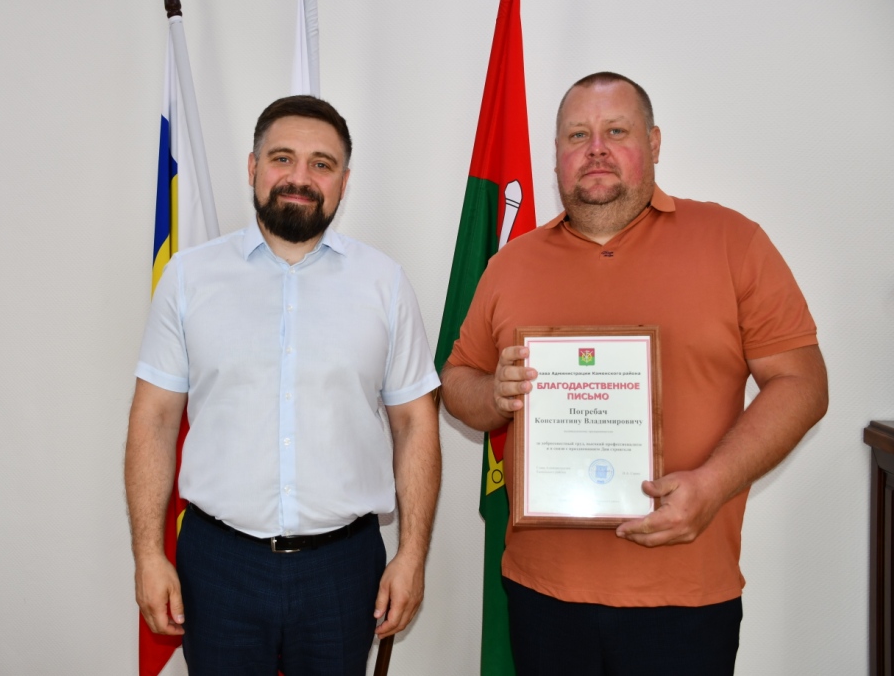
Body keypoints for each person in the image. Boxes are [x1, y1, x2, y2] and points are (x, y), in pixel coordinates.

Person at [440, 72, 828, 675]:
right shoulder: (510, 263)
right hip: (542, 594)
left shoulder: (732, 241)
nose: (595, 149)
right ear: (557, 156)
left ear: (654, 143)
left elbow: (803, 384)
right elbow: (457, 380)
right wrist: (493, 395)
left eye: (616, 131)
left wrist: (712, 485)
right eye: (577, 135)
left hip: (685, 599)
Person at [124, 95, 441, 675]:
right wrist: (148, 553)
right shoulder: (189, 278)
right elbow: (155, 418)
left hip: (343, 569)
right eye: (282, 158)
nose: (300, 177)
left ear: (344, 182)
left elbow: (415, 423)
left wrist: (412, 555)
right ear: (253, 167)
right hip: (218, 565)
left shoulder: (385, 284)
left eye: (322, 164)